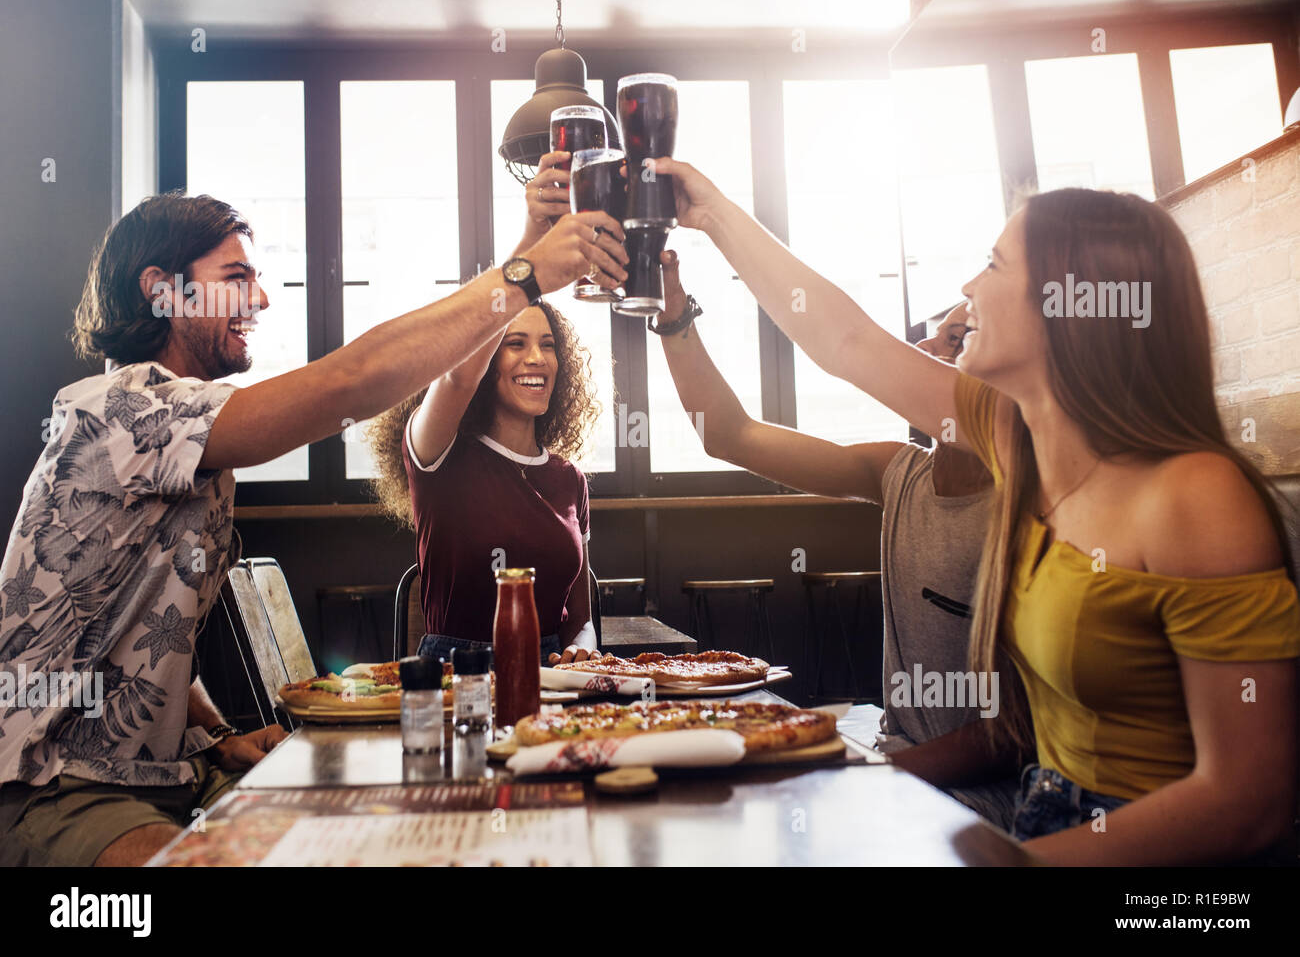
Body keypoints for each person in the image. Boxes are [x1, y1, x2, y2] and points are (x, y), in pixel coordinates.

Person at [650, 155, 1299, 865]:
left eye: (992, 266)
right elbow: (844, 341)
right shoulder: (1017, 441)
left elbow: (1248, 802)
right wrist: (708, 211)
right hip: (1043, 814)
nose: (965, 290)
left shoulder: (1194, 496)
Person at [0, 189, 627, 866]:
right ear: (163, 293)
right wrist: (527, 274)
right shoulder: (121, 412)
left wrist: (214, 734)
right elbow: (351, 382)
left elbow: (147, 631)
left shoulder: (181, 430)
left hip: (170, 773)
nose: (262, 299)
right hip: (61, 783)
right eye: (236, 278)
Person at [650, 251, 1017, 828]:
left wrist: (867, 777)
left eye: (954, 340)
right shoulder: (897, 471)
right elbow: (728, 434)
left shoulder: (1028, 505)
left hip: (981, 801)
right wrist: (673, 320)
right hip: (896, 765)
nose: (924, 353)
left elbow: (1013, 736)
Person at [369, 152, 605, 667]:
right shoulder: (439, 455)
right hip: (457, 678)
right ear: (487, 359)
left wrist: (582, 655)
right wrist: (530, 247)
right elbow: (456, 374)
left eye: (548, 345)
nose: (537, 358)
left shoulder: (570, 481)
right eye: (515, 343)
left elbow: (580, 618)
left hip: (551, 681)